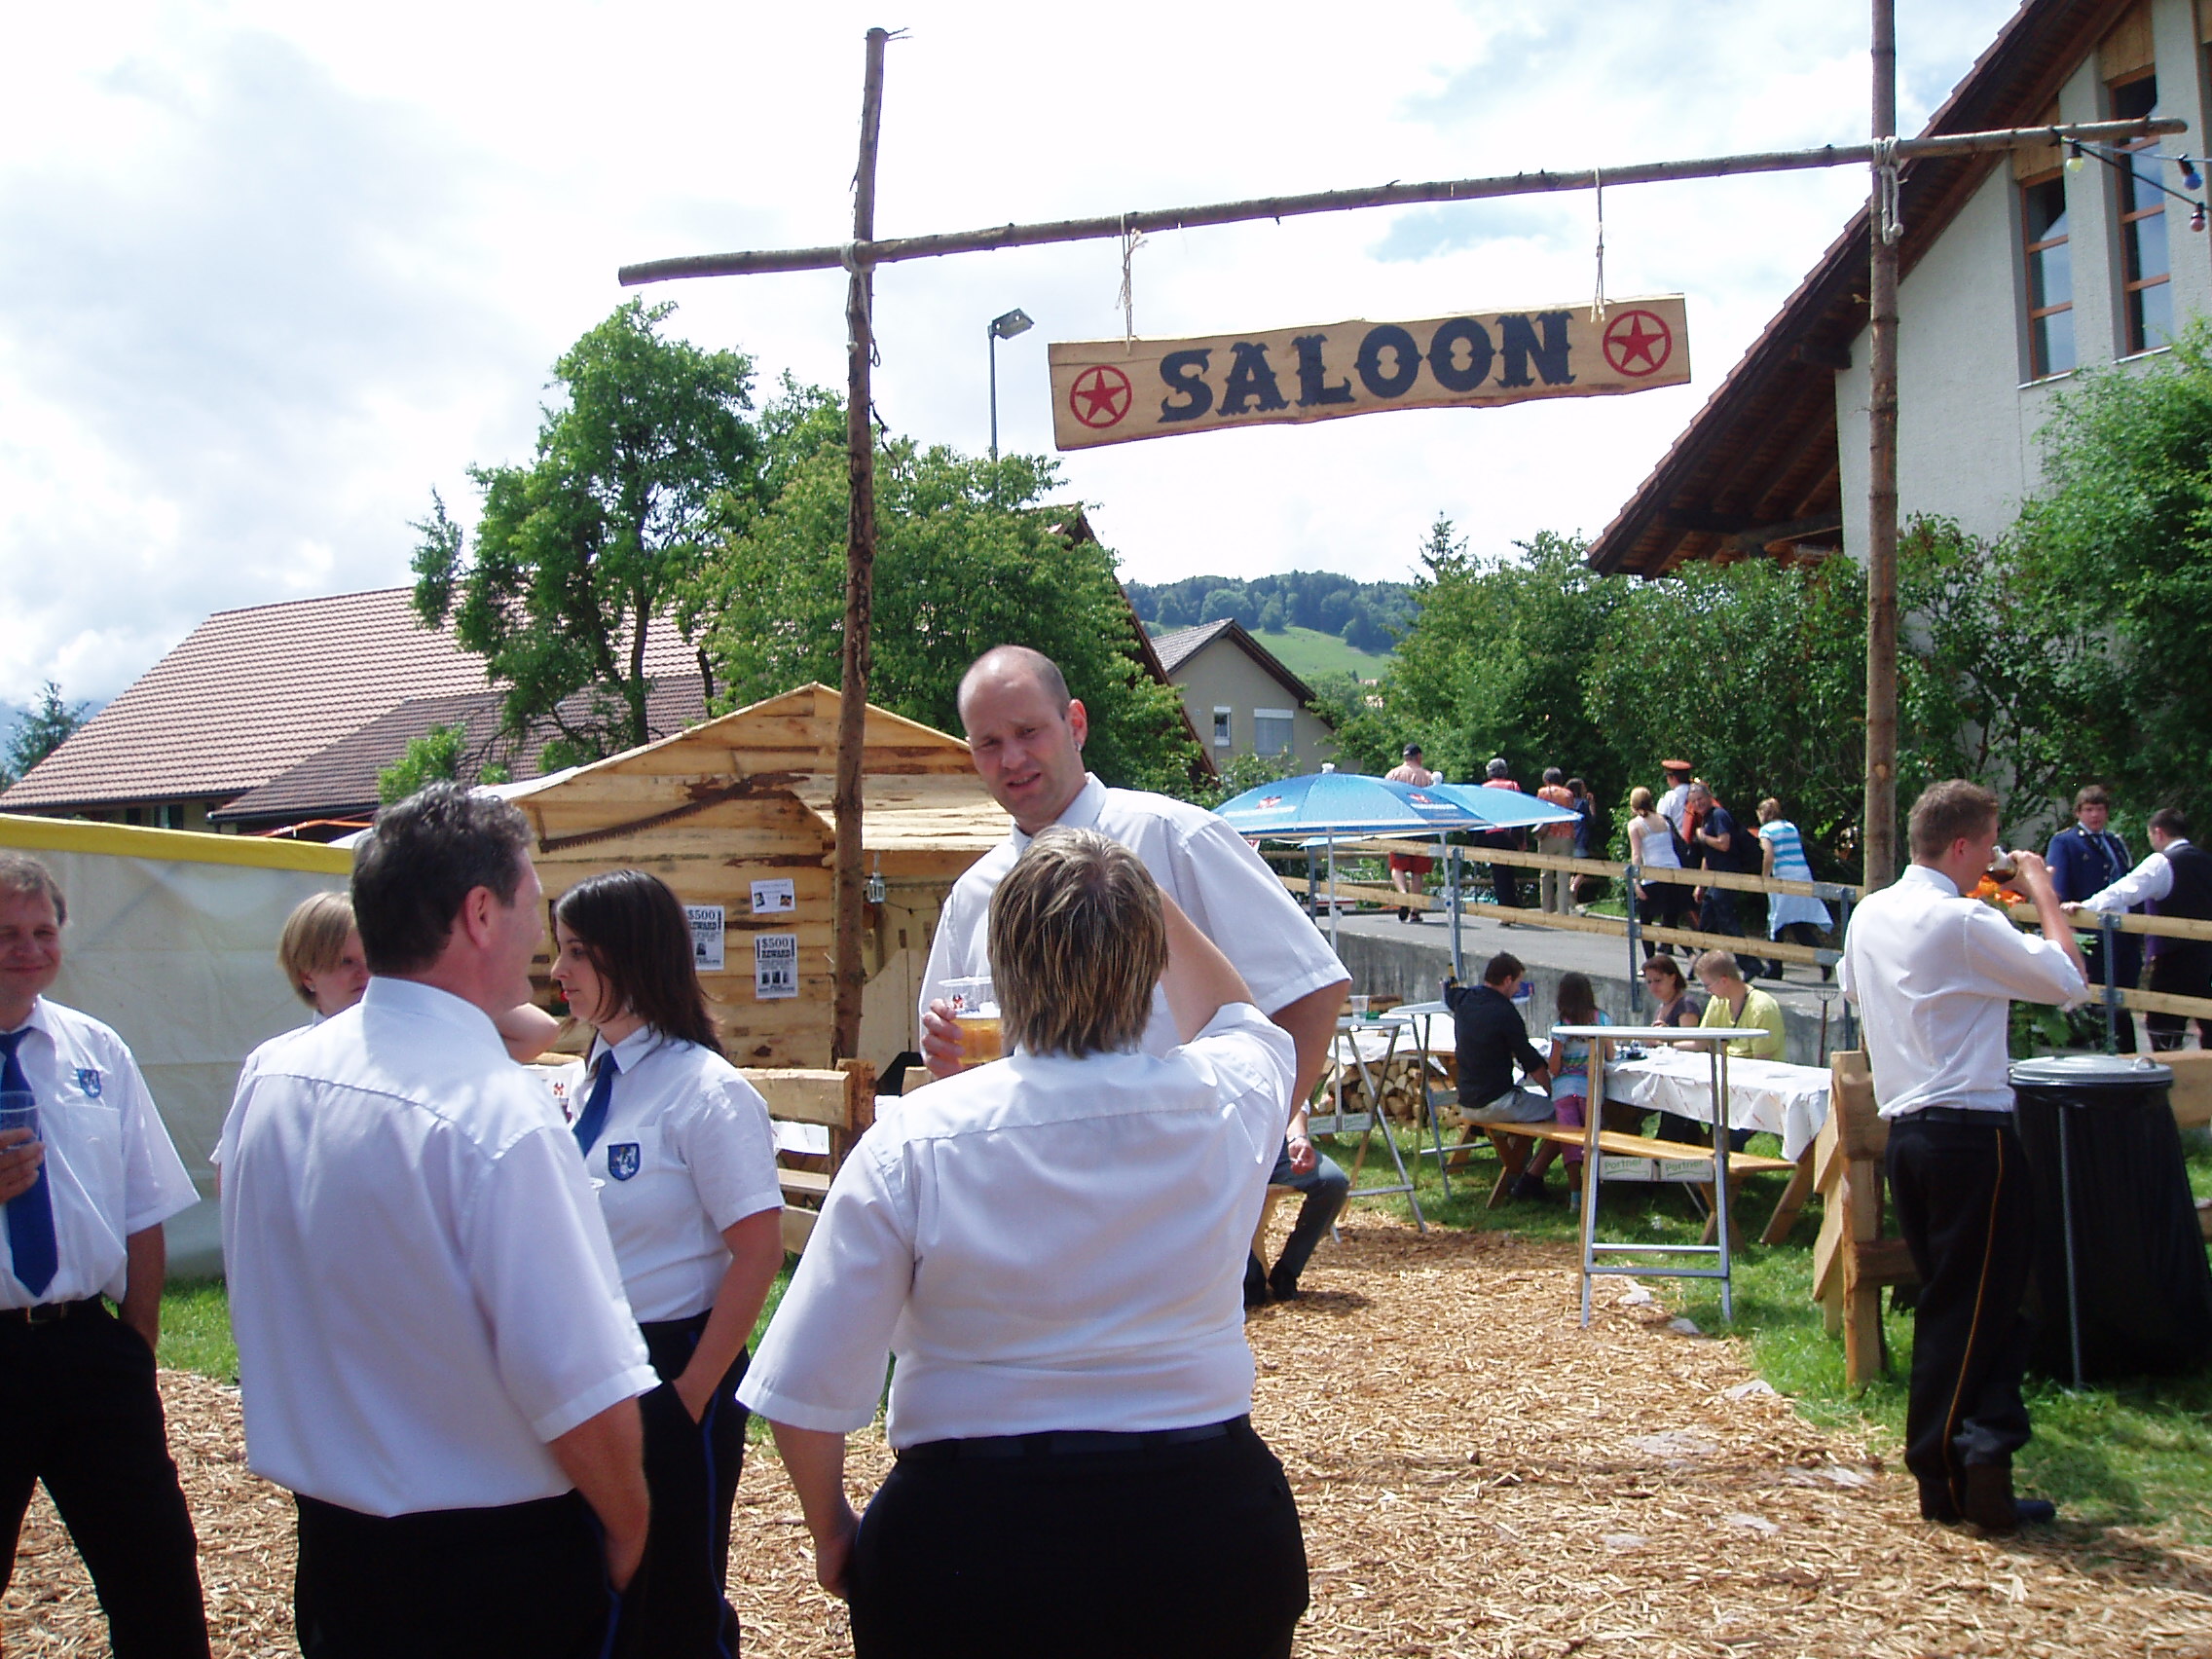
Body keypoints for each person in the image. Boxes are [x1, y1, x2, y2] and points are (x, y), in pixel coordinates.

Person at [741, 830, 1311, 1659]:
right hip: (1202, 1530)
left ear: (1003, 965)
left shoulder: (917, 1140)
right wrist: (1131, 882)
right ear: (1147, 958)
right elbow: (1235, 1013)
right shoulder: (1224, 1096)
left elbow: (803, 1390)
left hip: (969, 1541)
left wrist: (833, 1532)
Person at [221, 785, 658, 1656]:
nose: (542, 930)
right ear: (481, 912)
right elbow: (578, 1389)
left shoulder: (271, 1078)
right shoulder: (497, 1113)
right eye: (535, 899)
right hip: (489, 1572)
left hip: (337, 1557)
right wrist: (628, 1530)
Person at [919, 646, 1349, 1306]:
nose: (1012, 759)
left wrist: (1243, 1158)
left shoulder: (1175, 837)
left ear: (1076, 724)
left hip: (1166, 1231)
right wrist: (946, 1060)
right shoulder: (973, 895)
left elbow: (1313, 990)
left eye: (1029, 732)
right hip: (1021, 1242)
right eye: (989, 743)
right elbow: (949, 1070)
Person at [549, 869, 788, 1656]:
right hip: (594, 1363)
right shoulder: (588, 1081)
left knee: (674, 1601)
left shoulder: (705, 1092)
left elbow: (757, 1251)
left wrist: (689, 1396)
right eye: (559, 950)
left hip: (673, 1361)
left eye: (577, 952)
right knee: (601, 1590)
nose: (558, 972)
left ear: (631, 956)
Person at [1840, 779, 2086, 1533]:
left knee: (1965, 1304)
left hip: (1909, 1133)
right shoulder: (1963, 920)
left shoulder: (1871, 913)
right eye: (1990, 843)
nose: (1997, 855)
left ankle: (1977, 1469)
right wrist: (2043, 893)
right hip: (1971, 1134)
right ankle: (1948, 1467)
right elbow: (2070, 983)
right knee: (1983, 1309)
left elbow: (1858, 993)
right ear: (1961, 846)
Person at [0, 853, 210, 1659]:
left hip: (91, 1351)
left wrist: (138, 1341)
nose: (28, 949)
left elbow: (144, 1205)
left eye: (42, 931)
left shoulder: (95, 1050)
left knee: (154, 1571)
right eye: (7, 933)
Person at [2069, 805, 2212, 1051]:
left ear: (2158, 833)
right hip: (2208, 956)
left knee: (2163, 1025)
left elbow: (2126, 890)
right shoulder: (2206, 861)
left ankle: (2169, 1083)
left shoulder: (2163, 862)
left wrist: (2085, 907)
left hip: (2174, 957)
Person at [1442, 953, 1552, 1198]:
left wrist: (1448, 985)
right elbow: (1530, 1061)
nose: (1517, 989)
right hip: (1497, 1102)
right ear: (1507, 980)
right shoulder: (1506, 1012)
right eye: (1517, 984)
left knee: (1527, 1111)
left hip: (1467, 1102)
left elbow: (1450, 995)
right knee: (1557, 1114)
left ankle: (1518, 1172)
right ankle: (1530, 1178)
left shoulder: (1464, 999)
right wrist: (1553, 1092)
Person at [2046, 785, 2143, 1051]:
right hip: (2090, 933)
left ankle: (2124, 1049)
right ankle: (2095, 1047)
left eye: (2100, 809)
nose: (2095, 815)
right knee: (2093, 995)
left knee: (2122, 995)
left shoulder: (2115, 842)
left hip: (2120, 933)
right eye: (2089, 810)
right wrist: (2071, 931)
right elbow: (2059, 889)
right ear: (2079, 812)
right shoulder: (2066, 842)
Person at [1689, 783, 1771, 979]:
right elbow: (1707, 857)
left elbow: (1724, 844)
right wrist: (1701, 884)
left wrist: (1703, 837)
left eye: (1700, 799)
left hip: (1728, 875)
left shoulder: (1719, 816)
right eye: (1693, 801)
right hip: (1715, 878)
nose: (1698, 803)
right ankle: (1701, 967)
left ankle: (1750, 965)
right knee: (1706, 924)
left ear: (1709, 797)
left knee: (1727, 921)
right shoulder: (1706, 820)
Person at [1755, 798, 1834, 983]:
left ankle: (1775, 968)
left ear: (1763, 814)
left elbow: (1768, 854)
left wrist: (1764, 877)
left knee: (1776, 920)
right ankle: (1822, 960)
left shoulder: (1766, 830)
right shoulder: (1791, 827)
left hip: (1784, 876)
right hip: (1802, 874)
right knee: (1797, 924)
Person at [1626, 786, 1689, 956]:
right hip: (1674, 872)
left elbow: (1636, 854)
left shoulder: (1635, 825)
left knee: (1646, 922)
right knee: (1671, 922)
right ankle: (1691, 956)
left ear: (1633, 805)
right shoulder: (1665, 820)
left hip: (1653, 875)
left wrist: (1635, 881)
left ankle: (1649, 961)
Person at [1383, 744, 1437, 923]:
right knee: (1418, 870)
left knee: (1397, 866)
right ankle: (1414, 910)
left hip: (1400, 825)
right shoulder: (1427, 776)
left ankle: (1403, 895)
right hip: (1422, 825)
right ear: (1419, 756)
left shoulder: (1393, 775)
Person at [1475, 757, 1527, 917]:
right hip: (1509, 832)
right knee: (1509, 870)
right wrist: (1522, 839)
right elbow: (1519, 810)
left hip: (1491, 833)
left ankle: (1505, 907)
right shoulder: (1512, 785)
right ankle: (1511, 906)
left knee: (1498, 872)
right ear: (1504, 771)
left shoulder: (1483, 789)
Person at [1534, 767, 1577, 914]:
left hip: (1548, 836)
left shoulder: (1543, 792)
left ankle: (1547, 909)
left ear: (1546, 780)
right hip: (1566, 837)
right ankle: (1563, 911)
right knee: (1563, 875)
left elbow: (1538, 813)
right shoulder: (1568, 794)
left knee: (1546, 874)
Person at [1566, 777, 1600, 910]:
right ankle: (1572, 889)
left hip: (1569, 839)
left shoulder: (1568, 803)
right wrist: (1592, 804)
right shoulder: (1583, 803)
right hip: (1581, 840)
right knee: (1583, 870)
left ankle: (1572, 900)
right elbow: (1592, 820)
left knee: (1574, 870)